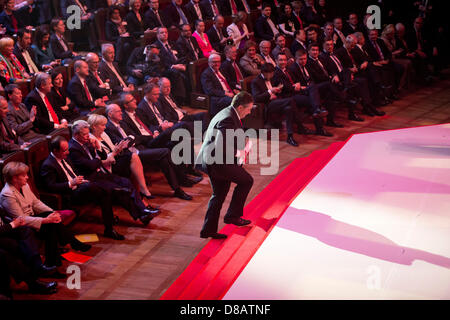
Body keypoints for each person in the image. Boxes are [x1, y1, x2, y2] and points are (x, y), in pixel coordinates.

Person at [0, 161, 91, 267]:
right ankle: (71, 243)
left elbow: (36, 203)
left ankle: (53, 262)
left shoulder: (24, 186)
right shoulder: (7, 194)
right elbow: (21, 218)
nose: (27, 177)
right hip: (21, 226)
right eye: (24, 175)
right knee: (50, 224)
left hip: (32, 217)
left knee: (51, 224)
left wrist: (53, 212)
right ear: (14, 178)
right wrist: (45, 220)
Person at [104, 103, 195, 200]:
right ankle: (181, 178)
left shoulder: (122, 123)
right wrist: (132, 139)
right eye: (118, 111)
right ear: (110, 114)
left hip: (140, 148)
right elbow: (121, 143)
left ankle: (177, 189)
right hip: (131, 155)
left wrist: (132, 139)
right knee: (166, 150)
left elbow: (135, 136)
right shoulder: (109, 128)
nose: (121, 113)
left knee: (164, 158)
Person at [196, 91, 254, 239]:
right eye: (248, 109)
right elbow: (221, 145)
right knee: (246, 181)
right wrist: (240, 153)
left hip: (215, 160)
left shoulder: (229, 112)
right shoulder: (228, 118)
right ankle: (232, 216)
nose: (248, 113)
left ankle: (208, 230)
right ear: (240, 107)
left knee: (219, 195)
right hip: (217, 162)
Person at [87, 114, 154, 199]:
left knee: (133, 156)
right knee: (132, 158)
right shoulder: (91, 139)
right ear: (94, 126)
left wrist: (119, 147)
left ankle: (142, 190)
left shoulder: (103, 134)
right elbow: (101, 159)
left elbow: (112, 148)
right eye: (102, 125)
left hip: (115, 158)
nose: (105, 127)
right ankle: (142, 191)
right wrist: (115, 151)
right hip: (107, 166)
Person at [251, 62, 300, 147]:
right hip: (267, 105)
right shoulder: (256, 81)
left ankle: (290, 136)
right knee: (291, 100)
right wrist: (270, 92)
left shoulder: (273, 78)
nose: (271, 75)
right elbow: (256, 98)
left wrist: (278, 91)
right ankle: (300, 125)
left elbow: (277, 90)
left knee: (288, 108)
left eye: (272, 73)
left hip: (277, 102)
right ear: (263, 73)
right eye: (270, 74)